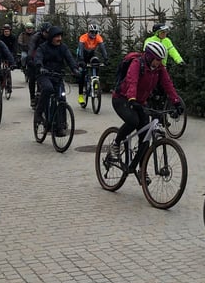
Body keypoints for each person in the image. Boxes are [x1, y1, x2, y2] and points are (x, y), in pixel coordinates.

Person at [108, 40, 184, 182]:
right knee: (133, 121)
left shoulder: (159, 68)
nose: (159, 63)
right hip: (122, 99)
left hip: (140, 102)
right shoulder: (137, 64)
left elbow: (168, 85)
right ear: (149, 56)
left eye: (161, 60)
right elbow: (132, 81)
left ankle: (141, 170)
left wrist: (176, 102)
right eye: (157, 60)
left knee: (146, 138)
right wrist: (131, 98)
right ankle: (115, 144)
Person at [32, 26, 80, 135]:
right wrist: (40, 66)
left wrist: (75, 69)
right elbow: (38, 57)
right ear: (51, 38)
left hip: (57, 76)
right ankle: (39, 113)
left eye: (60, 36)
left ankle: (61, 125)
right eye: (57, 37)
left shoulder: (63, 48)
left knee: (62, 98)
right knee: (48, 89)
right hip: (44, 75)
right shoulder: (43, 47)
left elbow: (70, 59)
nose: (59, 39)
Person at [76, 23, 107, 107]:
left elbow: (102, 48)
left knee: (96, 63)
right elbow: (81, 49)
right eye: (92, 32)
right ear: (88, 32)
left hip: (91, 54)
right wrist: (81, 60)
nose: (93, 34)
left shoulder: (98, 37)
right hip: (82, 54)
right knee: (82, 74)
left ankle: (95, 83)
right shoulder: (83, 37)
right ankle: (81, 96)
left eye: (95, 32)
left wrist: (106, 59)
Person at [27, 22, 53, 108]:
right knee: (32, 79)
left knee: (42, 79)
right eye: (46, 32)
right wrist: (30, 58)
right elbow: (31, 48)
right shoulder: (35, 37)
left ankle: (41, 94)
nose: (47, 34)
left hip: (45, 61)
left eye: (49, 33)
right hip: (34, 60)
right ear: (42, 31)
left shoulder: (51, 38)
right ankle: (32, 98)